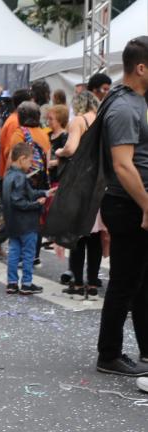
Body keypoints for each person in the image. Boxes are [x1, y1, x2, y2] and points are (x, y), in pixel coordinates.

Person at [96, 37, 148, 379]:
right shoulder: (124, 107)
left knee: (140, 281)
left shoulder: (132, 101)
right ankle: (109, 353)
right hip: (128, 204)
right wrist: (147, 205)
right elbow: (123, 164)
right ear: (142, 68)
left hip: (133, 203)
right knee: (125, 283)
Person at [56, 91, 103, 297]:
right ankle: (92, 282)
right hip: (100, 181)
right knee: (95, 237)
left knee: (77, 235)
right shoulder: (103, 119)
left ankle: (76, 282)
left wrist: (60, 152)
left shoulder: (78, 121)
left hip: (81, 181)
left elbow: (72, 147)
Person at [2, 143, 51, 295]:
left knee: (14, 252)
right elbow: (19, 201)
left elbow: (27, 193)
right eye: (30, 161)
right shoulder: (20, 177)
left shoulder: (8, 176)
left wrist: (46, 193)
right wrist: (37, 204)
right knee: (29, 253)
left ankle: (11, 283)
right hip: (26, 223)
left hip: (12, 222)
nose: (31, 165)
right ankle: (26, 283)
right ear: (22, 159)